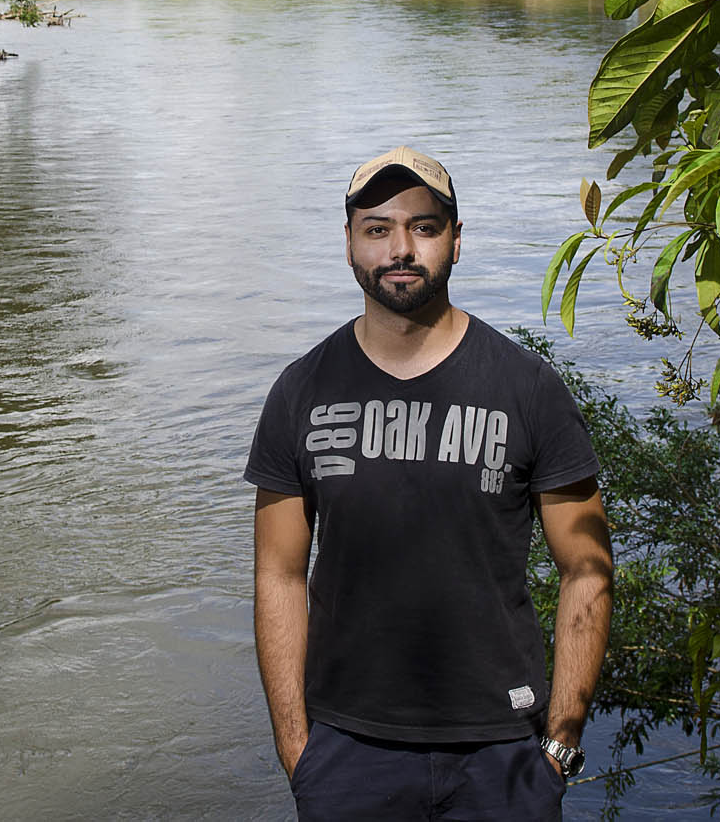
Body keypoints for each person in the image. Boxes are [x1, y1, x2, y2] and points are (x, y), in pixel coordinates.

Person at [245, 145, 613, 820]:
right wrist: (298, 748)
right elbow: (279, 575)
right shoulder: (302, 391)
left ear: (457, 240)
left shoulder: (527, 389)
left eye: (424, 225)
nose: (401, 248)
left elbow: (586, 567)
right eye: (378, 227)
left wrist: (560, 739)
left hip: (504, 751)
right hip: (348, 751)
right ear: (350, 242)